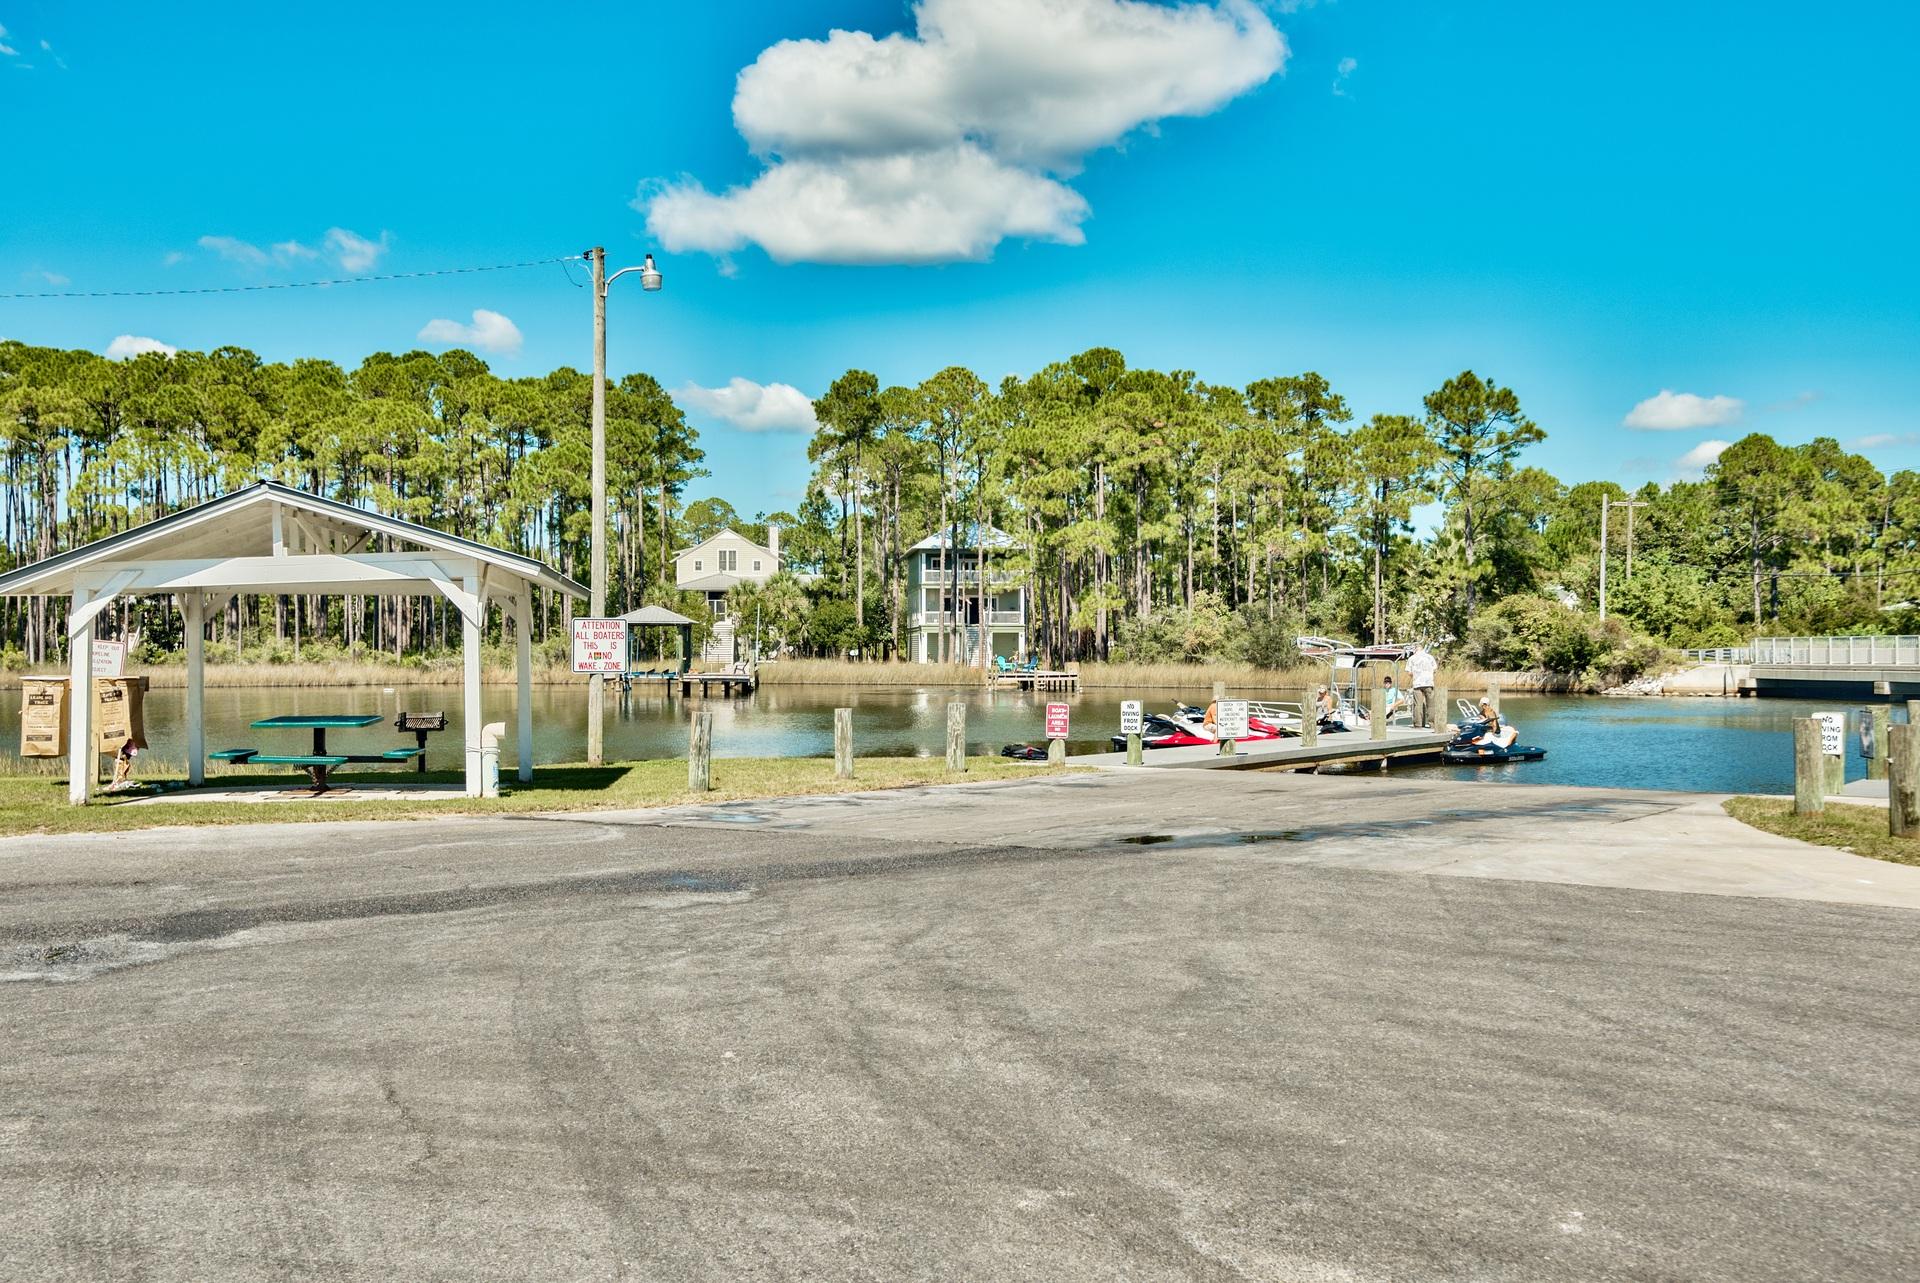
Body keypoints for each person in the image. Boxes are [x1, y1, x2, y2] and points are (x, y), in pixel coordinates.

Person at [1407, 643, 1438, 728]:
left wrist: (1416, 675)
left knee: (1418, 705)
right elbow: (1435, 669)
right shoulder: (1430, 657)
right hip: (1428, 683)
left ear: (1415, 650)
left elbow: (1409, 673)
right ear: (1422, 649)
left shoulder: (1411, 658)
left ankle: (1418, 724)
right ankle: (1432, 724)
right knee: (1431, 705)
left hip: (1417, 684)